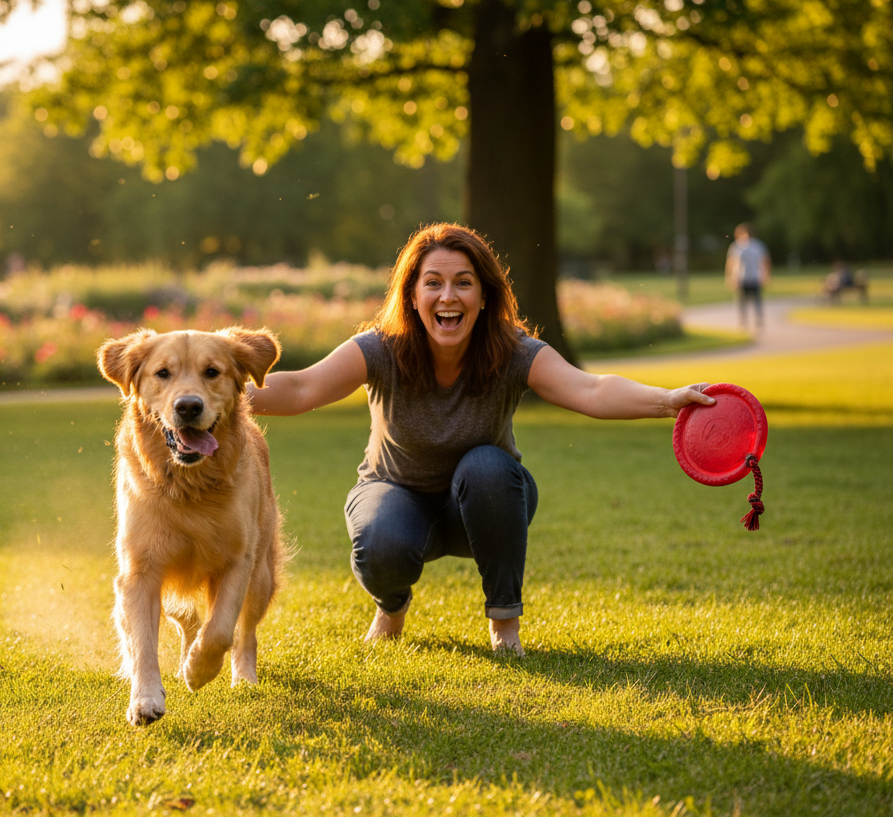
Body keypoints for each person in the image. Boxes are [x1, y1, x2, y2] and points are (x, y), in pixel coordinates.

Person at [247, 223, 715, 655]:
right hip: (395, 497)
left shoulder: (512, 352)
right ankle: (391, 609)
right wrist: (214, 396)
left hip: (487, 505)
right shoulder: (381, 348)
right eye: (432, 282)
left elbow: (589, 388)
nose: (447, 296)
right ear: (412, 295)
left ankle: (504, 623)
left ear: (485, 295)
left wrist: (667, 400)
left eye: (463, 282)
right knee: (381, 542)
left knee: (487, 465)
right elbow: (302, 387)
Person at [724, 223, 770, 329]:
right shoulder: (736, 246)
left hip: (754, 277)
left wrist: (766, 275)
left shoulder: (757, 245)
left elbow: (765, 260)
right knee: (741, 302)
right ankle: (743, 321)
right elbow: (730, 263)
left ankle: (758, 320)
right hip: (741, 278)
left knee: (756, 301)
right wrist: (730, 277)